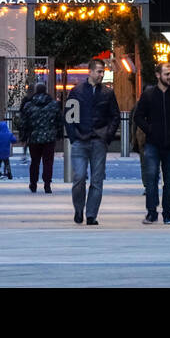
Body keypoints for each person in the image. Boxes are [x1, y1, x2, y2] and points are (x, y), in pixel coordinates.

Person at [65, 58, 120, 225]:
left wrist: (107, 136)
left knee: (97, 180)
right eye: (99, 71)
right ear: (90, 72)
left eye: (103, 72)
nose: (101, 74)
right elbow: (69, 116)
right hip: (80, 140)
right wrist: (74, 137)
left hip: (98, 140)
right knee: (79, 178)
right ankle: (79, 208)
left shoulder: (108, 93)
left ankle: (91, 214)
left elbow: (115, 116)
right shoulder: (77, 92)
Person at [132, 62, 170, 225]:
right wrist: (149, 129)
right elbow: (138, 116)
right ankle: (151, 211)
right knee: (151, 178)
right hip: (153, 143)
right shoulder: (149, 95)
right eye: (167, 74)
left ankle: (168, 213)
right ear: (158, 75)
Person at [21, 81, 62, 193]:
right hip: (49, 138)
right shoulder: (53, 105)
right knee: (48, 162)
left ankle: (33, 183)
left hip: (34, 138)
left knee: (35, 161)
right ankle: (47, 184)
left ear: (35, 91)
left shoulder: (29, 105)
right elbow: (59, 120)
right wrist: (59, 133)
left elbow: (24, 122)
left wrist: (24, 136)